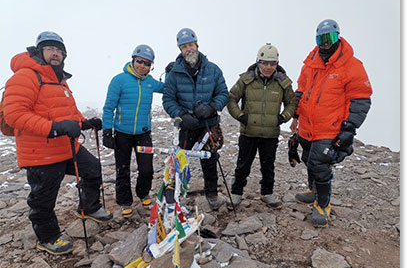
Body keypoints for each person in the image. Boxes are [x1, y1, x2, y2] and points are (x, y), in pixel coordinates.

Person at [3, 31, 112, 255]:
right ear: (39, 51)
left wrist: (84, 122)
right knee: (44, 197)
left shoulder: (59, 80)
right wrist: (54, 128)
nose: (55, 53)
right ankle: (48, 237)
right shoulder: (25, 76)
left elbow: (67, 112)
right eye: (50, 49)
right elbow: (15, 115)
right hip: (39, 152)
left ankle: (88, 207)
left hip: (67, 147)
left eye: (59, 50)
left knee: (92, 169)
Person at [290, 19, 372, 227]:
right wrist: (295, 117)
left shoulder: (352, 65)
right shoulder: (311, 62)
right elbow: (301, 91)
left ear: (338, 37)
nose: (326, 44)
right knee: (308, 158)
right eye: (321, 39)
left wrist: (350, 128)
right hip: (308, 125)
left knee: (319, 163)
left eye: (330, 38)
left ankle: (323, 204)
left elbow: (361, 99)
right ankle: (313, 191)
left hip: (330, 127)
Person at [162, 28, 229, 210]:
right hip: (186, 125)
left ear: (197, 45)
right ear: (180, 49)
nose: (188, 49)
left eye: (190, 45)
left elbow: (223, 93)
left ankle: (212, 194)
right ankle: (174, 195)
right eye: (184, 47)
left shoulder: (213, 69)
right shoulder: (174, 74)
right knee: (179, 161)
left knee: (209, 160)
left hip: (208, 124)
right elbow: (168, 99)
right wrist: (181, 115)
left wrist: (212, 107)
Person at [227, 43, 298, 210]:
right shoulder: (246, 79)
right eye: (265, 62)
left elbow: (292, 103)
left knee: (268, 166)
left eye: (272, 63)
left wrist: (284, 117)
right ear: (258, 62)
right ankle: (236, 194)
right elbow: (231, 98)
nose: (268, 67)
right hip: (248, 132)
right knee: (243, 165)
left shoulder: (283, 83)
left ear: (277, 64)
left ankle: (267, 194)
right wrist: (240, 116)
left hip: (270, 134)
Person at [102, 44, 163, 218]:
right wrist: (107, 131)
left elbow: (167, 88)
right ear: (133, 60)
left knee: (146, 169)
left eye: (147, 63)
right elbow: (108, 108)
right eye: (139, 61)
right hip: (122, 133)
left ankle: (143, 193)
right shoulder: (119, 80)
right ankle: (124, 201)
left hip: (143, 133)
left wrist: (172, 73)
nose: (142, 66)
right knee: (123, 170)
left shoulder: (150, 82)